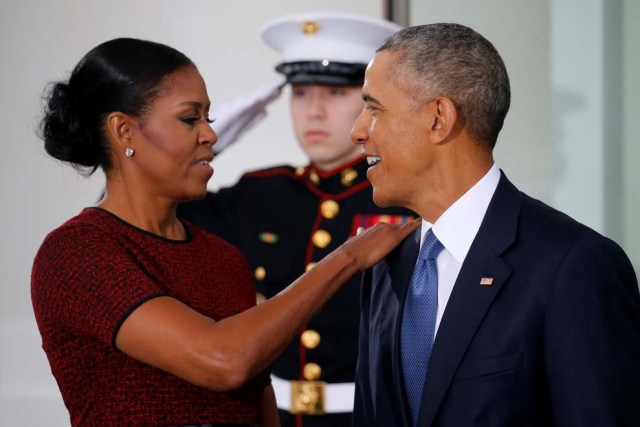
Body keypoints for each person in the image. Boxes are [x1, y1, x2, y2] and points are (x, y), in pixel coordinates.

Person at [30, 37, 419, 427]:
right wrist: (347, 257)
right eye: (189, 119)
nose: (211, 135)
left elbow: (257, 399)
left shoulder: (222, 256)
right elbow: (224, 361)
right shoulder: (75, 251)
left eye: (209, 119)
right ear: (124, 131)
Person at [351, 23, 640, 427]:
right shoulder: (385, 265)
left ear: (440, 118)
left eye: (374, 109)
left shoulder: (573, 265)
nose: (358, 131)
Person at [178, 13, 413, 427]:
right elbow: (132, 223)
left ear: (372, 104)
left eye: (336, 93)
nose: (315, 111)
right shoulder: (261, 194)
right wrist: (195, 148)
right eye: (301, 93)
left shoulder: (403, 198)